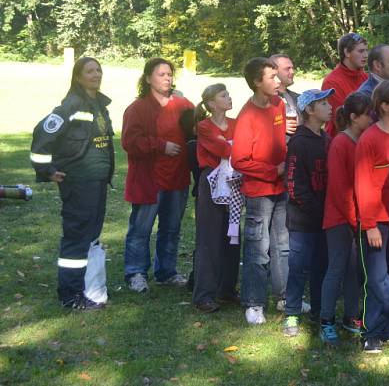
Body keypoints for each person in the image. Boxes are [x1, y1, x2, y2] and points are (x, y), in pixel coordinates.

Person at [30, 57, 114, 310]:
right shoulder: (71, 106)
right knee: (77, 238)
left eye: (98, 70)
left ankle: (87, 287)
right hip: (78, 182)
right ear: (78, 77)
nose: (96, 74)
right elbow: (43, 135)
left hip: (97, 182)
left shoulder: (99, 104)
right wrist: (46, 170)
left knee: (90, 236)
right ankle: (70, 295)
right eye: (89, 71)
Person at [122, 58, 194, 293]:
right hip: (149, 180)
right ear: (147, 78)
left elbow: (200, 129)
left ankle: (166, 271)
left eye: (169, 74)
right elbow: (130, 142)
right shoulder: (138, 108)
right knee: (141, 229)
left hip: (177, 178)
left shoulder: (183, 105)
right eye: (161, 74)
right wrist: (161, 145)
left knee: (171, 229)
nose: (167, 78)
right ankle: (135, 273)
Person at [231, 57, 288, 325]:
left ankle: (285, 295)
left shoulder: (278, 104)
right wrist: (272, 171)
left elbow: (279, 140)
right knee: (258, 247)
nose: (279, 81)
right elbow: (239, 160)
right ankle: (254, 303)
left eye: (278, 76)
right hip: (259, 192)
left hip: (281, 188)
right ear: (256, 82)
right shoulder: (247, 116)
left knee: (282, 243)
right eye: (272, 77)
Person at [356, 80, 389, 354]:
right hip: (377, 221)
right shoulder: (370, 139)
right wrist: (370, 225)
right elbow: (364, 184)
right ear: (384, 106)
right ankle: (371, 332)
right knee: (377, 278)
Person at [320, 92, 373, 344]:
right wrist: (355, 220)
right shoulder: (340, 144)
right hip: (340, 219)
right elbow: (340, 190)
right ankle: (326, 319)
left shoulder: (361, 141)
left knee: (354, 270)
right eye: (367, 115)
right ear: (354, 118)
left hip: (357, 219)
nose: (371, 118)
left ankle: (351, 315)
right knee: (337, 268)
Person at [283, 89, 334, 337]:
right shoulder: (299, 142)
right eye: (323, 103)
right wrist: (313, 208)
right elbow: (293, 183)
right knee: (299, 266)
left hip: (326, 219)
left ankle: (318, 309)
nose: (330, 106)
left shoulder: (327, 139)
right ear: (309, 111)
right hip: (303, 220)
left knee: (321, 267)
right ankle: (292, 312)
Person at [191, 84, 240, 313]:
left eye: (228, 94)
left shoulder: (235, 124)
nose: (229, 98)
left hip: (233, 184)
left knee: (232, 236)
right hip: (211, 183)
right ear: (211, 103)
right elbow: (226, 150)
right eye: (223, 95)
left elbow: (238, 147)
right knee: (209, 239)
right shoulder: (204, 126)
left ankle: (227, 289)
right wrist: (233, 146)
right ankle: (204, 294)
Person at [268, 54, 296, 312]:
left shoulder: (295, 99)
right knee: (276, 238)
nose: (292, 71)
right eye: (287, 68)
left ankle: (291, 285)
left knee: (288, 235)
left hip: (295, 174)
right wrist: (279, 129)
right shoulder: (265, 103)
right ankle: (282, 292)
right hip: (272, 178)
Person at [322, 33, 369, 138]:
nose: (366, 55)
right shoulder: (332, 82)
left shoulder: (365, 77)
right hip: (342, 140)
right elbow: (341, 120)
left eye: (366, 50)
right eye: (361, 51)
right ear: (347, 52)